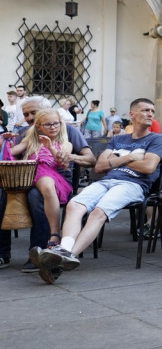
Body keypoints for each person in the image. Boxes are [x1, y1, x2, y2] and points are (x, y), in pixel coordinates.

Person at [32, 98, 162, 283]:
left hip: (133, 185)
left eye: (152, 111)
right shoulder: (118, 139)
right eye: (145, 110)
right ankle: (63, 254)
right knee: (74, 205)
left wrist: (116, 158)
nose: (150, 114)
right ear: (132, 115)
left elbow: (149, 167)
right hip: (106, 181)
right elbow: (99, 166)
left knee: (98, 212)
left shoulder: (156, 139)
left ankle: (65, 256)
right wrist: (131, 158)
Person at [0, 98, 96, 272]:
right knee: (1, 193)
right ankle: (2, 253)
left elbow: (90, 159)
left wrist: (70, 157)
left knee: (36, 196)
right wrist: (4, 141)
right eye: (26, 114)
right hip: (23, 179)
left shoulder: (69, 132)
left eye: (33, 113)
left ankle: (40, 251)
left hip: (55, 180)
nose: (29, 118)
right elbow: (9, 154)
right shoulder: (24, 133)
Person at [7, 110, 75, 252]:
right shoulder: (31, 140)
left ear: (60, 123)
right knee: (46, 185)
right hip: (30, 172)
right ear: (39, 126)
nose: (53, 127)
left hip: (51, 174)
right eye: (48, 124)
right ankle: (54, 234)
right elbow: (11, 153)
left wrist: (50, 147)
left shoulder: (65, 143)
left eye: (56, 123)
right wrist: (6, 141)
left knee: (48, 186)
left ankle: (54, 233)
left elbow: (63, 163)